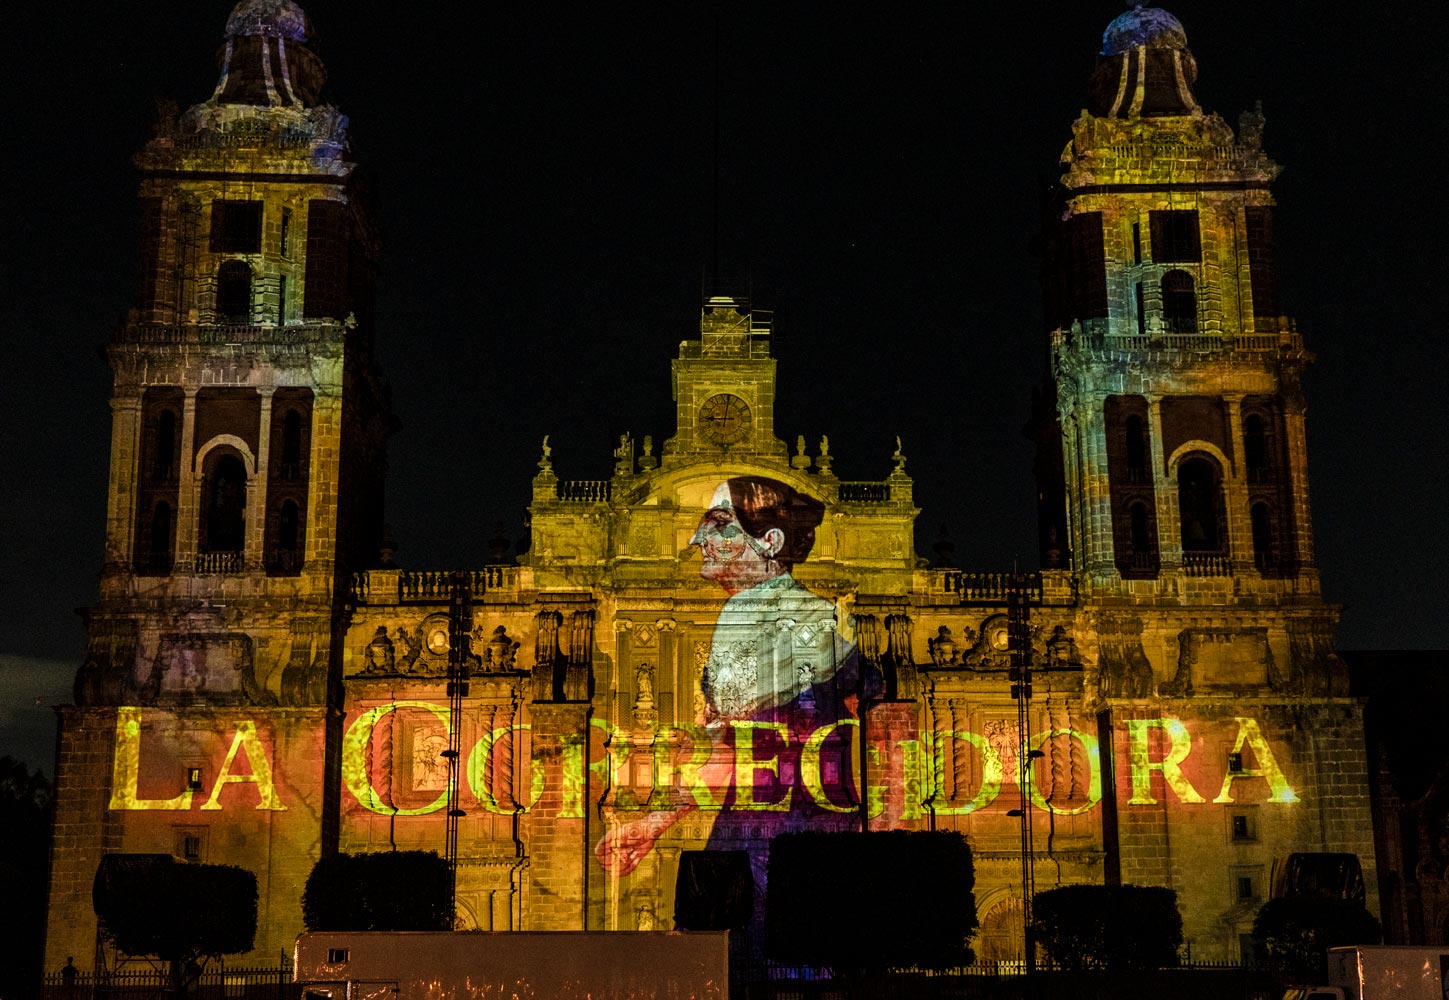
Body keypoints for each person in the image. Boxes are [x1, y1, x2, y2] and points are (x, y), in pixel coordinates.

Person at [596, 475, 874, 878]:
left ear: (771, 542)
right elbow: (722, 743)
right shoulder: (784, 615)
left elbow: (726, 743)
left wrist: (652, 822)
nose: (697, 539)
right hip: (789, 823)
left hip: (777, 830)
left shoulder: (777, 619)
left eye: (720, 524)